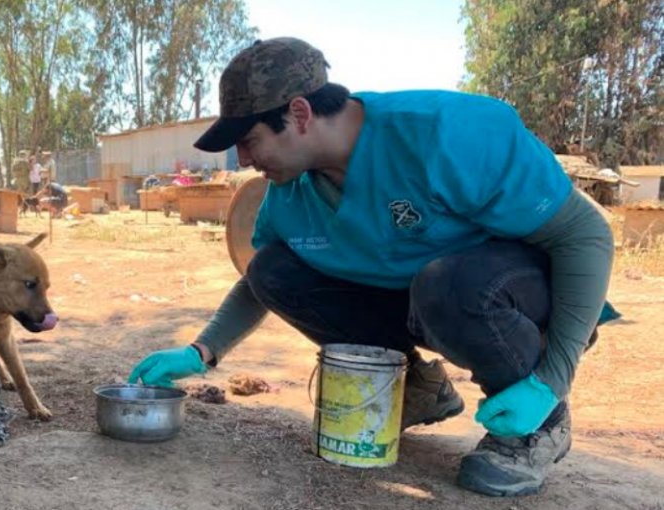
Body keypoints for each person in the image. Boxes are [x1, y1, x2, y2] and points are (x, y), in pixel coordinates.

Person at [128, 37, 618, 497]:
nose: (244, 158)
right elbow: (260, 283)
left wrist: (553, 378)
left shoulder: (446, 132)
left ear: (299, 113)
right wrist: (202, 351)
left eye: (250, 140)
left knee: (445, 284)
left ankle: (541, 422)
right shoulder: (289, 190)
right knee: (274, 268)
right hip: (423, 300)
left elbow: (585, 236)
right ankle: (414, 389)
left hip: (513, 295)